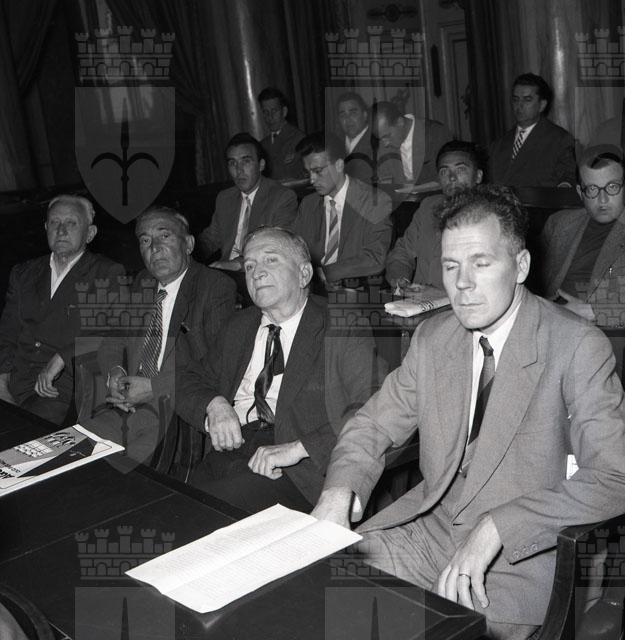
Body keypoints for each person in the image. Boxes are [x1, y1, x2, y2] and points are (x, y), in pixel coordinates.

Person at [313, 185, 625, 639]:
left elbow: (616, 477)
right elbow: (373, 423)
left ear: (521, 266)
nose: (462, 284)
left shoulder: (576, 345)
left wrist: (500, 526)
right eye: (450, 265)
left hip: (517, 563)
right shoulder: (433, 338)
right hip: (430, 531)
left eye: (481, 263)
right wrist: (339, 491)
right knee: (322, 595)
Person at [176, 226, 382, 512]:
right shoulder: (239, 326)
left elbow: (374, 406)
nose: (256, 273)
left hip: (298, 468)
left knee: (199, 514)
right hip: (231, 450)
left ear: (304, 274)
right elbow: (187, 379)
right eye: (249, 265)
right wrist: (214, 405)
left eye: (270, 260)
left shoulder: (341, 325)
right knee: (171, 508)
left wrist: (299, 448)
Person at [82, 207, 236, 463]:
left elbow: (216, 366)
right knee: (70, 453)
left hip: (175, 412)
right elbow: (113, 339)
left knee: (118, 474)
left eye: (164, 236)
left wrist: (153, 388)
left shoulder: (215, 287)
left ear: (188, 244)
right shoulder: (141, 282)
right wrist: (115, 373)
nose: (154, 248)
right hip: (126, 405)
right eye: (145, 240)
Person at [0, 194, 123, 425]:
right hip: (14, 381)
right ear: (46, 228)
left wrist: (62, 357)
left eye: (71, 223)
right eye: (55, 222)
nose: (62, 230)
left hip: (62, 388)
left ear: (90, 233)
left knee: (30, 435)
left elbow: (110, 331)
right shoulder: (24, 273)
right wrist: (2, 381)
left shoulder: (107, 273)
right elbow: (7, 334)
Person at [541, 144, 625, 326]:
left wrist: (594, 311)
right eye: (592, 189)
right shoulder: (559, 224)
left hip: (608, 331)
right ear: (581, 192)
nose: (603, 199)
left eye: (612, 187)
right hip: (548, 323)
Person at [293, 132, 392, 285]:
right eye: (308, 172)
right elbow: (295, 250)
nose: (312, 180)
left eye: (318, 171)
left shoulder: (374, 201)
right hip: (313, 287)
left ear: (339, 165)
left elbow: (375, 258)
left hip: (358, 287)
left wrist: (327, 273)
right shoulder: (308, 204)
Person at [385, 140, 484, 290]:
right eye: (444, 171)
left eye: (460, 170)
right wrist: (401, 280)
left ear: (478, 176)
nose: (451, 177)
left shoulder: (490, 216)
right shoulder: (428, 207)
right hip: (418, 299)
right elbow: (402, 253)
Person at [198, 133, 297, 270]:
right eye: (232, 163)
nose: (239, 170)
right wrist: (185, 246)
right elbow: (211, 239)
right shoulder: (225, 198)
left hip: (262, 270)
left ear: (261, 165)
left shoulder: (282, 197)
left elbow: (279, 245)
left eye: (246, 161)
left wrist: (238, 264)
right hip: (225, 272)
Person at [488, 73, 576, 188]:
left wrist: (563, 189)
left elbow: (567, 178)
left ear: (542, 105)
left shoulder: (559, 139)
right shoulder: (498, 144)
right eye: (515, 99)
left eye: (527, 100)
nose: (519, 106)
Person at [372, 100, 453, 185]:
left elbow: (448, 176)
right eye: (381, 138)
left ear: (400, 122)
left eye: (387, 136)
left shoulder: (437, 134)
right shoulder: (383, 145)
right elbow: (384, 178)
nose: (385, 144)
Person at [257, 87, 306, 181]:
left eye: (274, 111)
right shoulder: (262, 145)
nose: (270, 117)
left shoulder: (299, 139)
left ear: (284, 112)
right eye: (265, 112)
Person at [337, 91, 374, 183]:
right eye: (343, 115)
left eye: (353, 113)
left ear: (365, 115)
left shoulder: (377, 143)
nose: (348, 119)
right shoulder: (335, 144)